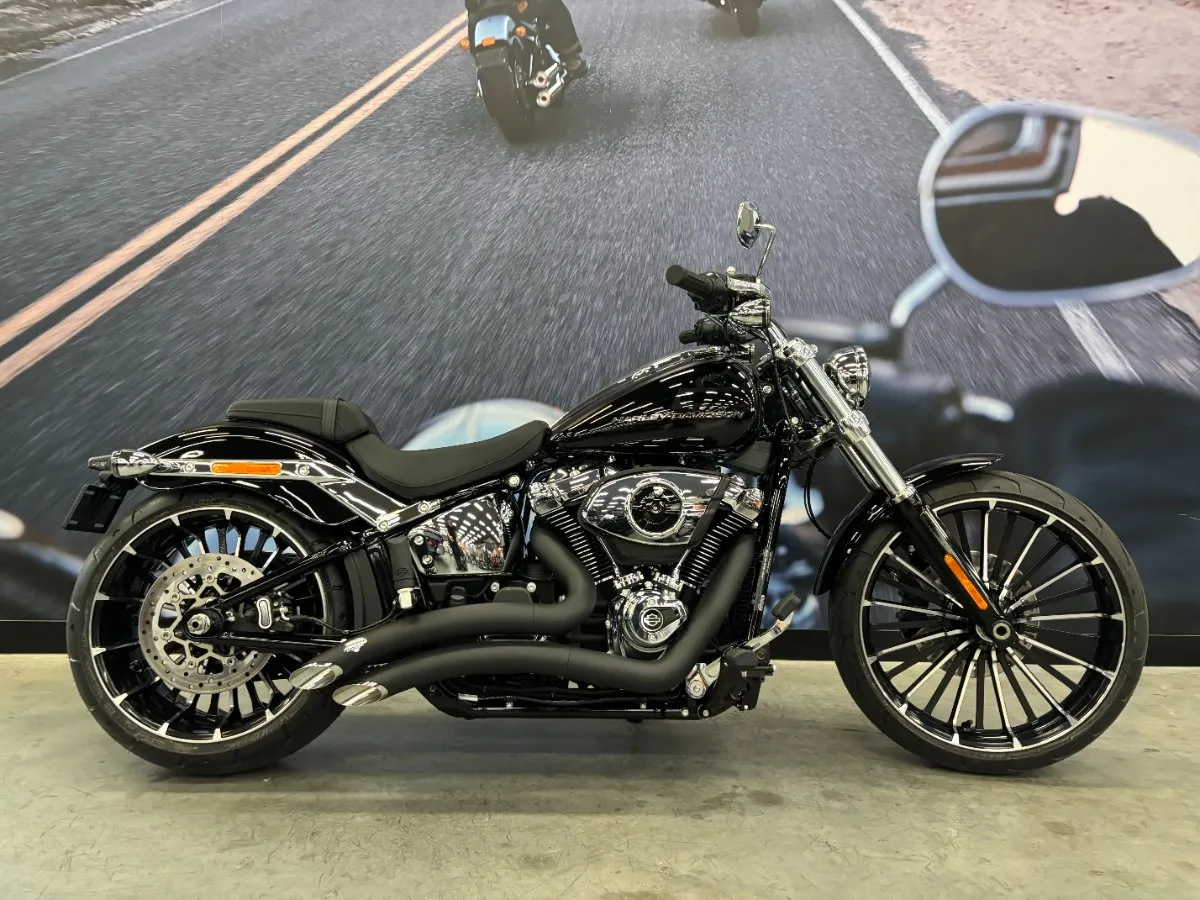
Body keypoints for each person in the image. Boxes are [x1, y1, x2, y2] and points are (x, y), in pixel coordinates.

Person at [466, 0, 588, 78]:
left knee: (474, 19)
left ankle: (482, 64)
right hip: (516, 8)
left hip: (481, 12)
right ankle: (570, 56)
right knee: (553, 4)